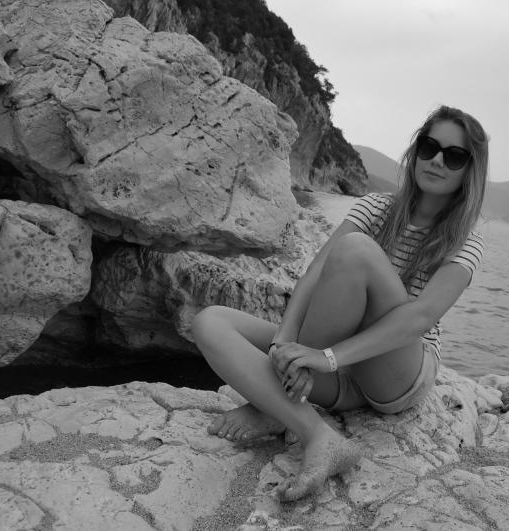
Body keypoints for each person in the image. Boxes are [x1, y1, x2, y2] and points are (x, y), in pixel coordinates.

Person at [191, 105, 488, 501]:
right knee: (211, 321)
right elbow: (315, 274)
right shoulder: (375, 207)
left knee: (355, 250)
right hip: (340, 367)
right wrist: (283, 341)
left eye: (454, 156)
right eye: (429, 147)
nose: (436, 160)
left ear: (470, 171)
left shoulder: (466, 240)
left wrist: (326, 358)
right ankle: (314, 432)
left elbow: (419, 318)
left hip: (396, 373)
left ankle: (273, 405)